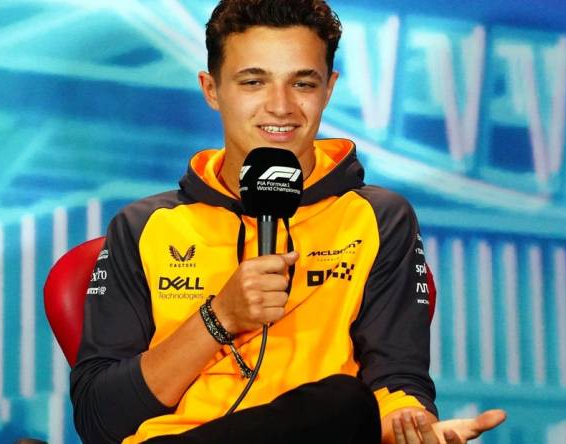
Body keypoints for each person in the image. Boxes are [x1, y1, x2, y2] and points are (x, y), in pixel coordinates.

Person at [70, 1, 507, 443]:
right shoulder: (144, 226)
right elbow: (99, 419)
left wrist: (412, 427)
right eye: (254, 81)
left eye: (302, 83)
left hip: (325, 429)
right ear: (212, 88)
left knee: (344, 403)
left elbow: (397, 381)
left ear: (329, 89)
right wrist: (220, 316)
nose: (280, 107)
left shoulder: (378, 218)